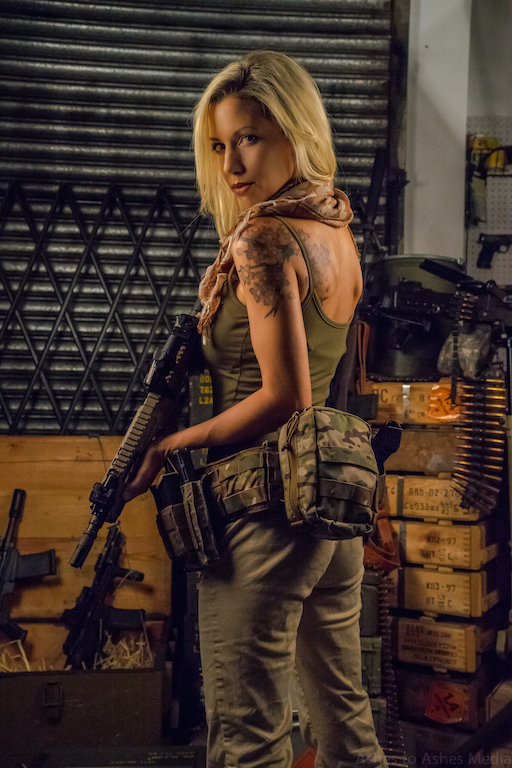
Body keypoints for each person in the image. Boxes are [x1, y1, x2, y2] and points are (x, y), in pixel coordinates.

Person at [124, 50, 387, 768]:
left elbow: (284, 398)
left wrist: (171, 445)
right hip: (328, 513)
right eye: (220, 145)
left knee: (248, 742)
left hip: (262, 513)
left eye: (250, 137)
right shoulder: (335, 230)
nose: (233, 164)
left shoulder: (264, 240)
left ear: (296, 132)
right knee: (346, 731)